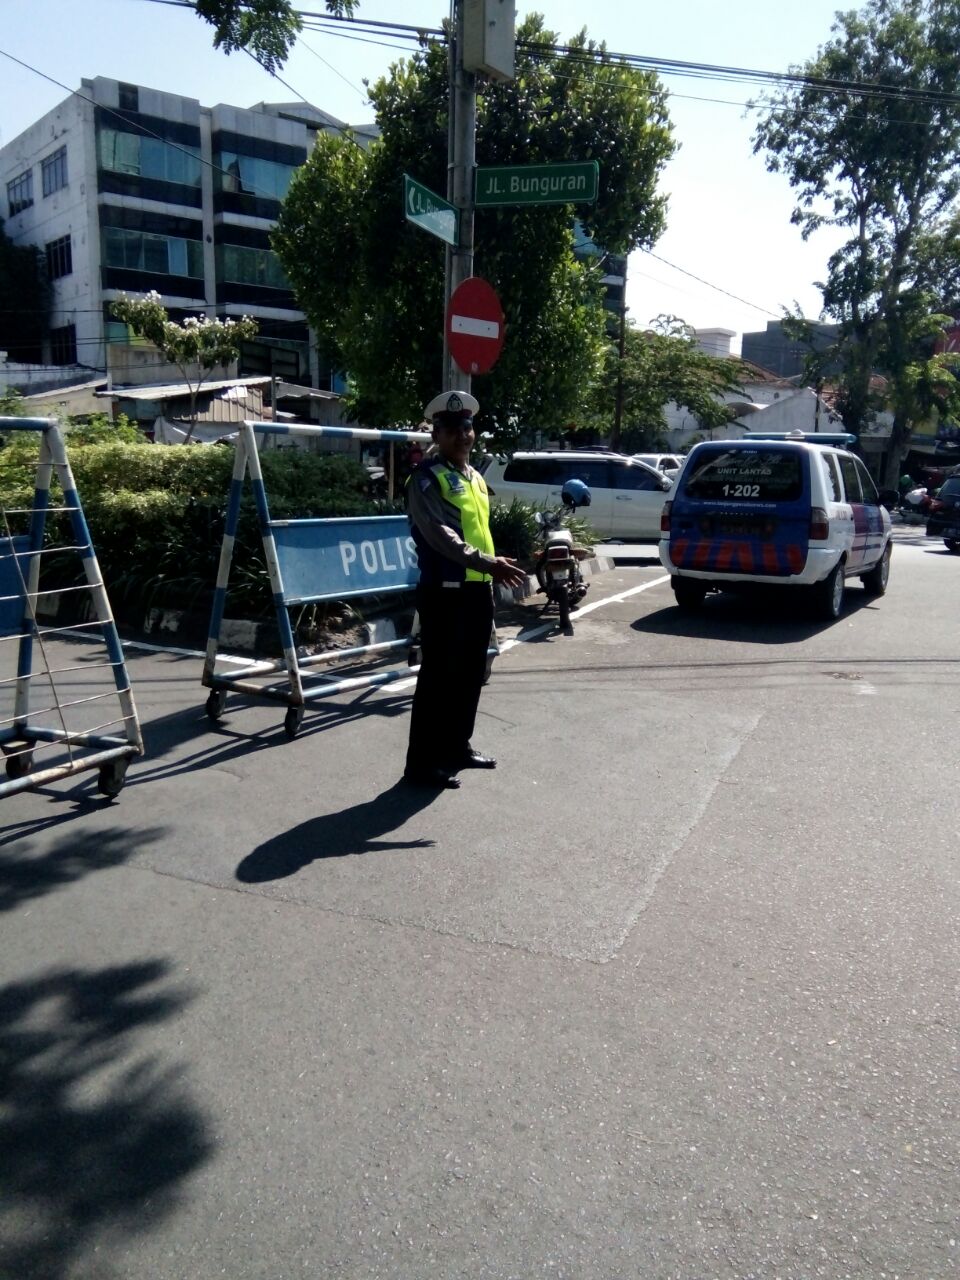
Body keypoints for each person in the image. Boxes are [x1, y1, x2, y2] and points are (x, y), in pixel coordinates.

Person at [404, 390, 526, 789]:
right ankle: (421, 765)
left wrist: (495, 561)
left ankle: (457, 746)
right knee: (439, 678)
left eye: (467, 427)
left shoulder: (473, 478)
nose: (462, 435)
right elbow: (441, 536)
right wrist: (488, 563)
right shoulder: (425, 479)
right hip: (443, 591)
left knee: (472, 674)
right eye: (452, 429)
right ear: (436, 434)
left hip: (476, 591)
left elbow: (477, 532)